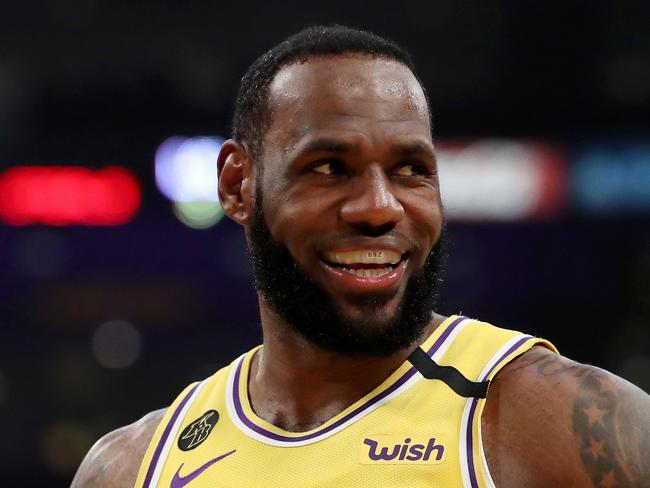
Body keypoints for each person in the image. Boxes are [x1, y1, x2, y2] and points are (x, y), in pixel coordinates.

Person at [72, 25, 650, 488]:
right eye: (329, 168)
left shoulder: (553, 420)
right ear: (237, 184)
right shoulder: (136, 466)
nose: (380, 207)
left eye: (410, 170)